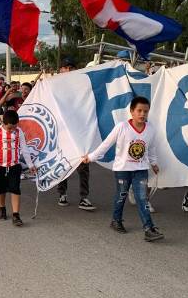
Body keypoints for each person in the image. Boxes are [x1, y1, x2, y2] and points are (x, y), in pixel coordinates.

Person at [82, 96, 163, 242]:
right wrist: (91, 157)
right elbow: (106, 144)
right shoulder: (122, 127)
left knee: (142, 198)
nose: (142, 114)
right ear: (132, 111)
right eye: (139, 110)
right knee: (121, 196)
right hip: (123, 169)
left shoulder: (150, 129)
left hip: (140, 169)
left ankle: (148, 229)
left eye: (146, 111)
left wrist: (154, 163)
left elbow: (151, 148)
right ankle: (116, 220)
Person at [55, 57, 95, 211]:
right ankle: (62, 194)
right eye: (66, 67)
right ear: (61, 70)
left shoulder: (81, 85)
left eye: (71, 67)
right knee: (64, 164)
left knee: (84, 166)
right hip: (64, 134)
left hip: (80, 133)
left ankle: (84, 197)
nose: (69, 70)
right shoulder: (55, 86)